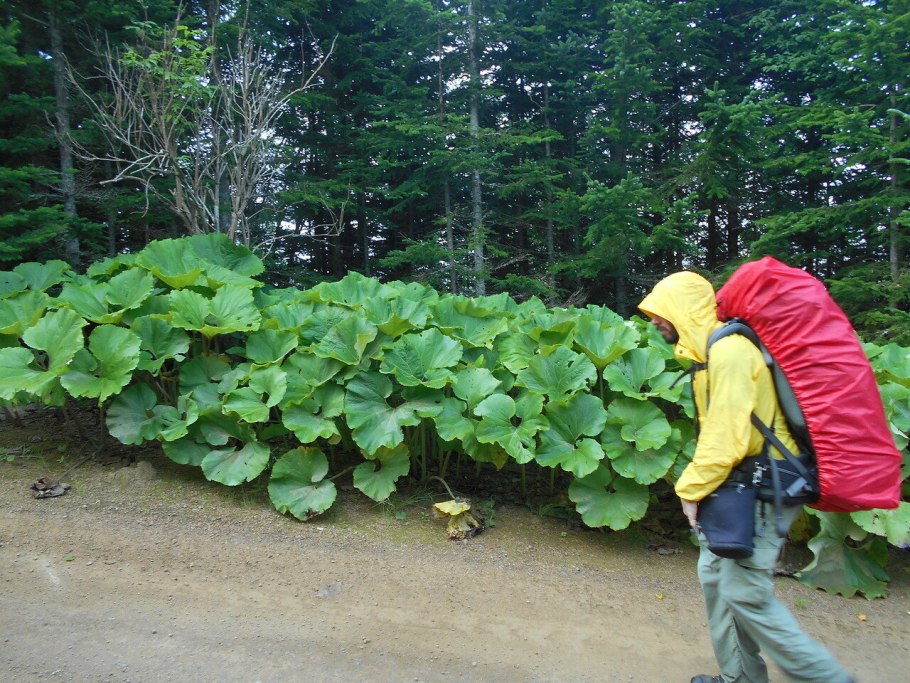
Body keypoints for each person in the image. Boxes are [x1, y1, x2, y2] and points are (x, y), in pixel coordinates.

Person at [638, 271, 854, 683]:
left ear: (684, 309)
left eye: (659, 311)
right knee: (715, 579)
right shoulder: (706, 355)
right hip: (736, 485)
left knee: (745, 593)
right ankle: (740, 677)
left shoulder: (731, 352)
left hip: (765, 486)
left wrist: (690, 490)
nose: (654, 320)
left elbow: (728, 437)